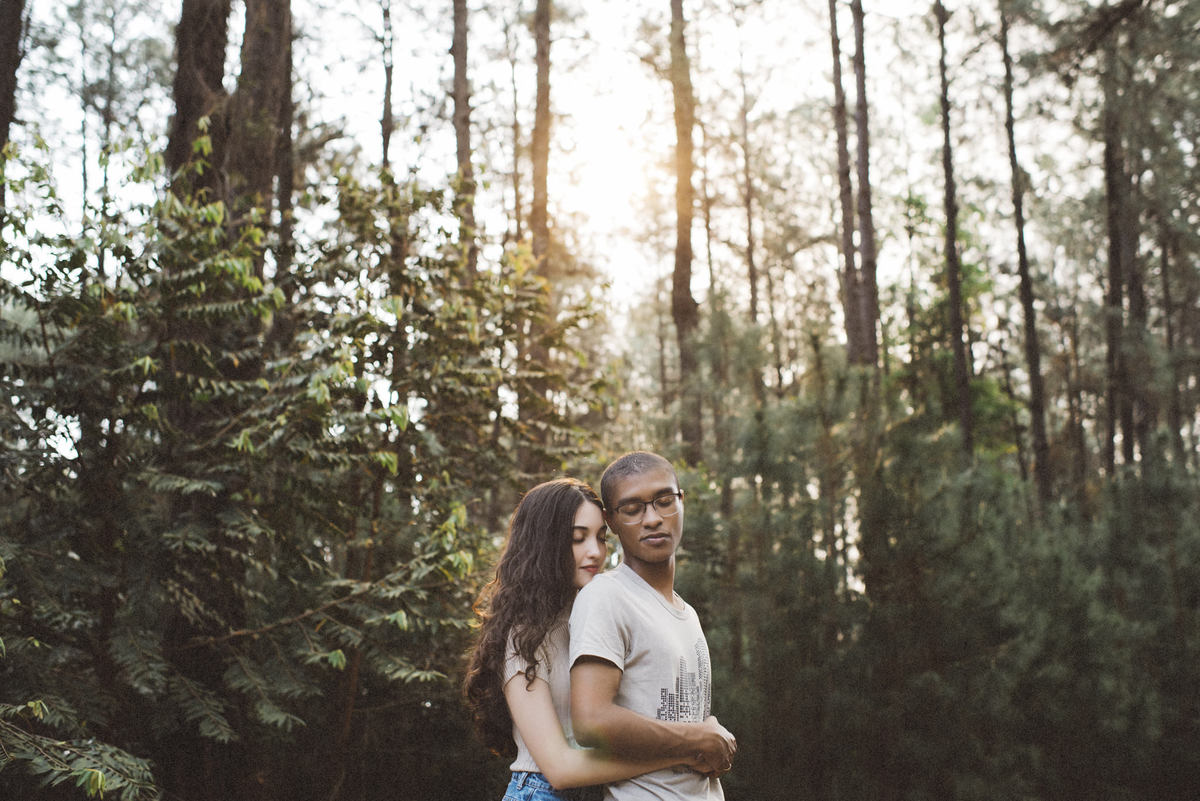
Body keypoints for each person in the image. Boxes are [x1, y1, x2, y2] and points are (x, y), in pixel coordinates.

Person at [463, 478, 709, 801]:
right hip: (541, 792)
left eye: (601, 537)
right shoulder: (524, 638)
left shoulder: (598, 618)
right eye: (578, 539)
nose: (595, 552)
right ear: (544, 544)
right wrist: (685, 752)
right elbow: (560, 769)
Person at [569, 451, 735, 801]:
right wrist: (698, 738)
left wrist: (709, 737)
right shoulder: (606, 596)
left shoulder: (688, 614)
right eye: (632, 509)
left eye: (664, 501)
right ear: (611, 522)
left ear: (681, 501)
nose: (653, 519)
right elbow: (589, 720)